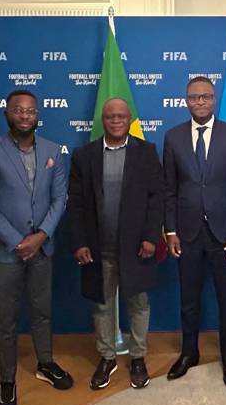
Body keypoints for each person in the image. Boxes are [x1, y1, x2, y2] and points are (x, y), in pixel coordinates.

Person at [0, 89, 72, 405]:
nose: (25, 115)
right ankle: (6, 380)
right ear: (7, 113)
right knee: (5, 320)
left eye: (30, 110)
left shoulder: (54, 150)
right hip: (5, 252)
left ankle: (45, 363)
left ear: (38, 114)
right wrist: (19, 241)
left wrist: (40, 236)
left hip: (43, 248)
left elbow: (60, 199)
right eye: (18, 110)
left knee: (42, 312)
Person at [163, 76, 226, 388]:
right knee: (189, 300)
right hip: (187, 234)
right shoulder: (173, 137)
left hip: (225, 235)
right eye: (194, 97)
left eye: (206, 97)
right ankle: (189, 354)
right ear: (186, 101)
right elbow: (170, 191)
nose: (200, 102)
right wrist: (170, 231)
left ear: (213, 100)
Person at [68, 98, 164, 390]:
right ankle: (107, 357)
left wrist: (150, 237)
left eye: (122, 116)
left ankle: (138, 357)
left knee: (139, 304)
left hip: (136, 247)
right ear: (102, 119)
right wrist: (80, 241)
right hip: (99, 247)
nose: (116, 120)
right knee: (103, 304)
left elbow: (156, 198)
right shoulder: (84, 155)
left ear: (130, 118)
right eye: (111, 116)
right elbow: (77, 204)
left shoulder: (146, 152)